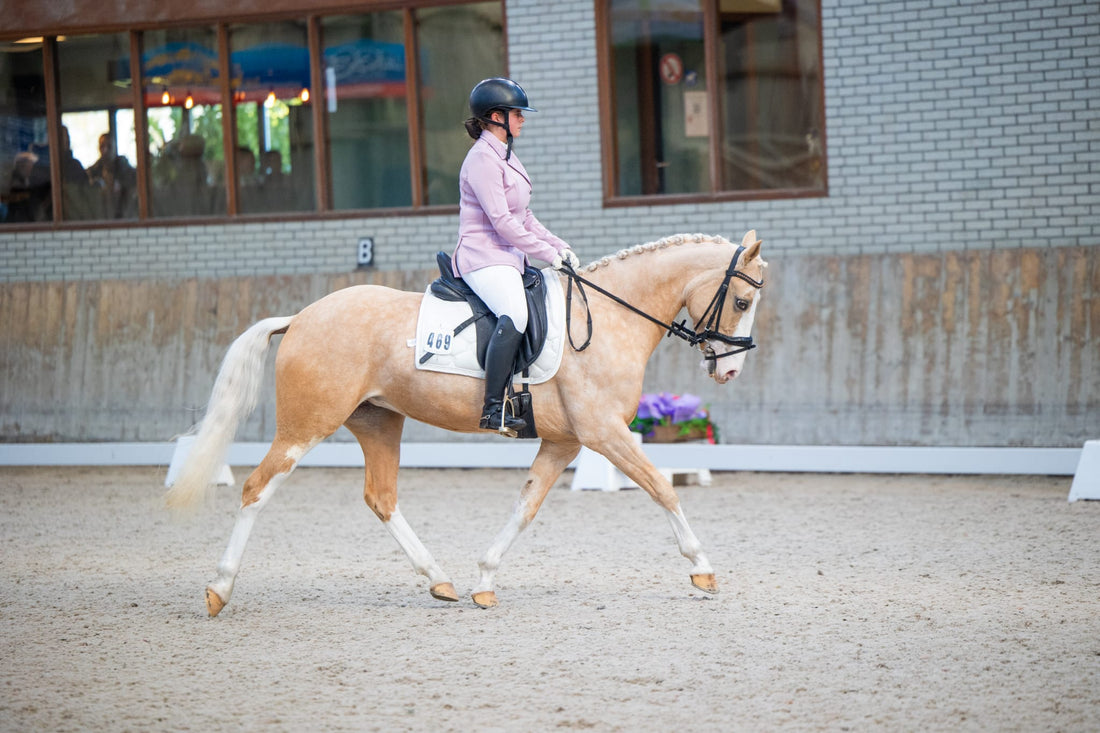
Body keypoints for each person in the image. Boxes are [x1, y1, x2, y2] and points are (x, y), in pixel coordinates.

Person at [451, 77, 580, 436]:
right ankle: (493, 408)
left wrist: (558, 246)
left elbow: (525, 217)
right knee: (516, 313)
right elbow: (503, 222)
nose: (522, 120)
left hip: (509, 257)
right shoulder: (481, 160)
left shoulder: (506, 155)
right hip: (484, 257)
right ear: (496, 117)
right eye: (516, 114)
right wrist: (545, 254)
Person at [87, 133, 136, 219]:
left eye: (109, 146)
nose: (105, 150)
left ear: (115, 148)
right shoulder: (94, 171)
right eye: (102, 146)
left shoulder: (126, 169)